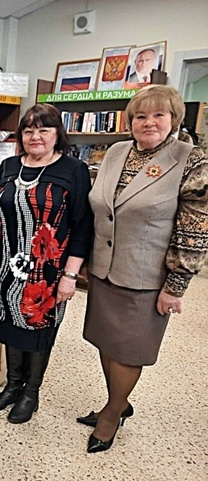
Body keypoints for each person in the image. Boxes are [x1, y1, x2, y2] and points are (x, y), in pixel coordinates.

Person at [80, 85, 208, 453]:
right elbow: (100, 209)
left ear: (174, 119)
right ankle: (118, 402)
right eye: (140, 116)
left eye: (158, 115)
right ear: (130, 121)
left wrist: (176, 285)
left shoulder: (190, 160)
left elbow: (195, 228)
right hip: (104, 269)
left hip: (146, 277)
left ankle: (111, 414)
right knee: (107, 342)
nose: (148, 122)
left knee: (129, 351)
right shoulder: (116, 152)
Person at [0, 104, 93, 424]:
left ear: (58, 134)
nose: (36, 136)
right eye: (29, 130)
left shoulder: (74, 170)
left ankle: (31, 392)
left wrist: (71, 275)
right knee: (10, 324)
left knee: (40, 329)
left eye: (44, 129)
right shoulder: (8, 166)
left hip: (48, 271)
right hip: (6, 266)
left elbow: (83, 226)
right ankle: (13, 385)